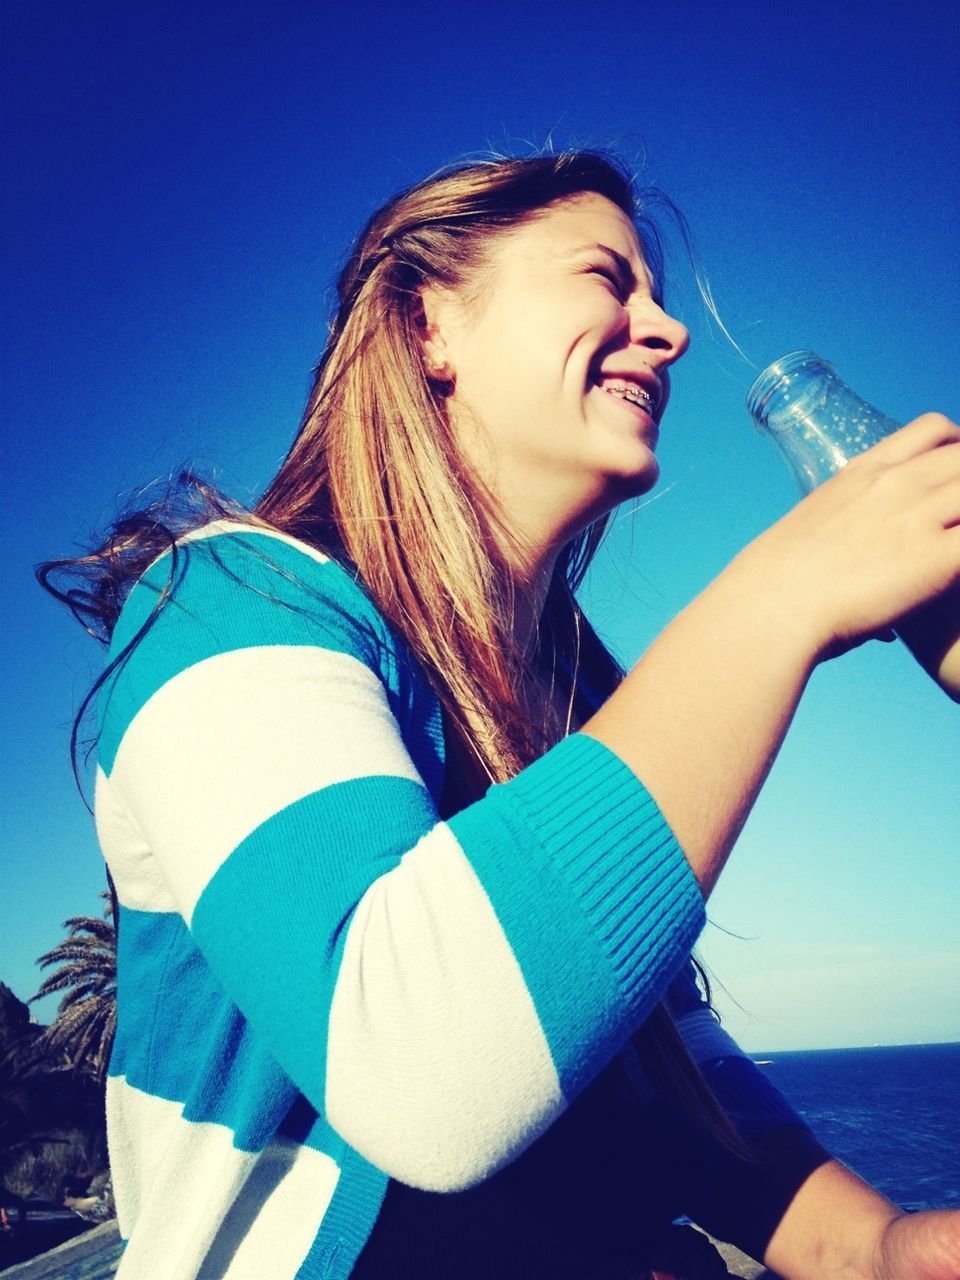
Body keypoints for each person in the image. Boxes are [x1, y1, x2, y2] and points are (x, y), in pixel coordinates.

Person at [40, 153, 960, 1280]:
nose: (663, 330)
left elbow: (673, 1061)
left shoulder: (592, 708)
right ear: (432, 325)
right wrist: (787, 594)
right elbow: (417, 1064)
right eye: (607, 276)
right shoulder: (233, 601)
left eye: (659, 297)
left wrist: (887, 1246)